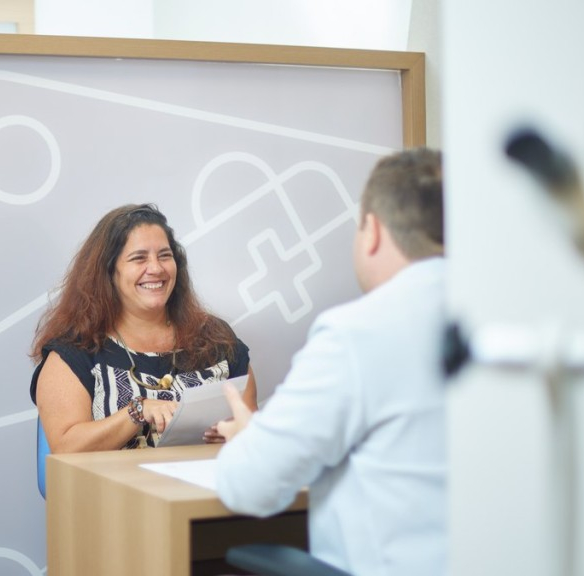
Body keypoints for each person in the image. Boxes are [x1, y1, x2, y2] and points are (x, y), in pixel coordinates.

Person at [216, 147, 446, 576]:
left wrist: (251, 438)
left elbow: (249, 487)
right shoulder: (512, 324)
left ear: (372, 231)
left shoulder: (356, 333)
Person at [30, 203, 258, 451]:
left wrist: (234, 434)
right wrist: (137, 411)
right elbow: (66, 447)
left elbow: (252, 432)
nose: (156, 268)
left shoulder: (217, 339)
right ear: (108, 273)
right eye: (139, 258)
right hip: (114, 490)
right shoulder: (75, 351)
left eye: (164, 256)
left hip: (209, 487)